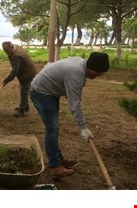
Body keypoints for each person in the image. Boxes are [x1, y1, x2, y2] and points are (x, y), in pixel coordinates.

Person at [30, 52, 110, 180]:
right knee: (52, 129)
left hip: (49, 92)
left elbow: (72, 94)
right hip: (41, 93)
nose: (98, 76)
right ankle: (55, 167)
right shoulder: (76, 74)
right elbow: (74, 104)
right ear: (91, 67)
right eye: (97, 73)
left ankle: (58, 159)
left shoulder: (80, 64)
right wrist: (83, 127)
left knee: (53, 128)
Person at [2, 41, 37, 117]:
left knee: (24, 91)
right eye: (5, 51)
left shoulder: (16, 56)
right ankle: (25, 106)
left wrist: (6, 80)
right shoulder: (16, 46)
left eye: (7, 51)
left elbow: (15, 71)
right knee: (24, 89)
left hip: (27, 73)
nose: (6, 53)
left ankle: (21, 110)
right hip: (28, 71)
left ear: (11, 47)